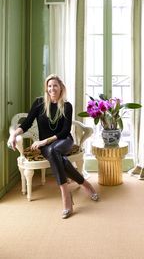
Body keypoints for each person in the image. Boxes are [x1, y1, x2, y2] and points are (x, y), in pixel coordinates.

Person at [8, 74, 99, 219]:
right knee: (56, 155)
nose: (52, 89)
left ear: (61, 88)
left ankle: (64, 193)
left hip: (63, 141)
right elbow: (26, 123)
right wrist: (13, 135)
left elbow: (65, 131)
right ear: (46, 88)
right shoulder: (39, 103)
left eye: (55, 85)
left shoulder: (67, 106)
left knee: (54, 149)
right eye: (49, 86)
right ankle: (84, 184)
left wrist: (44, 141)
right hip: (47, 146)